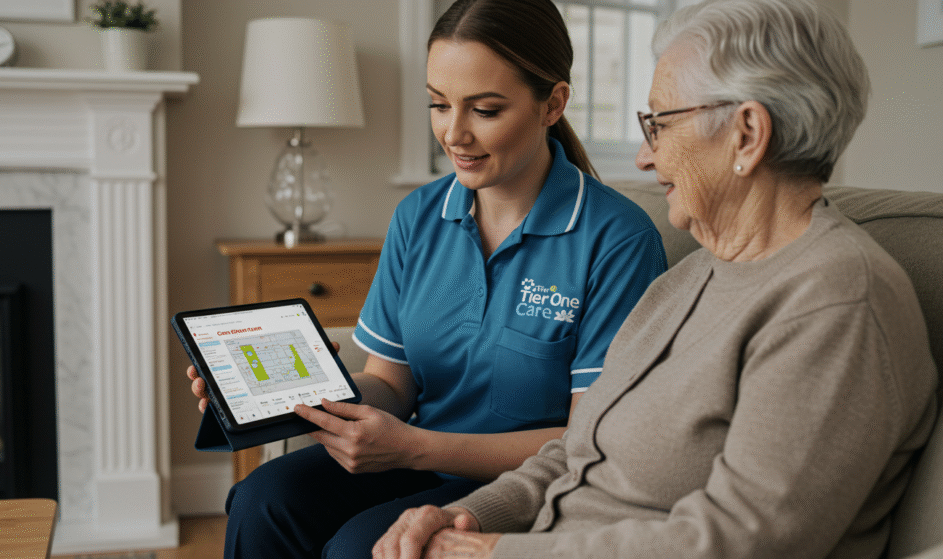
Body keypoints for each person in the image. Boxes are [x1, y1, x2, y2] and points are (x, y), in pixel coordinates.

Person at [372, 0, 940, 558]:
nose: (644, 157)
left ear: (747, 134)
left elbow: (746, 540)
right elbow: (580, 447)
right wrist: (469, 516)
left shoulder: (835, 300)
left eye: (660, 124)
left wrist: (493, 553)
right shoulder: (689, 278)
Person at [186, 0, 668, 557]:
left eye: (484, 110)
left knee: (359, 547)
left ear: (552, 104)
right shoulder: (418, 216)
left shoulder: (617, 239)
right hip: (418, 457)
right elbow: (391, 387)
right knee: (262, 498)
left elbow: (593, 440)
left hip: (530, 485)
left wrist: (414, 447)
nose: (453, 133)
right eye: (439, 104)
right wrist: (294, 393)